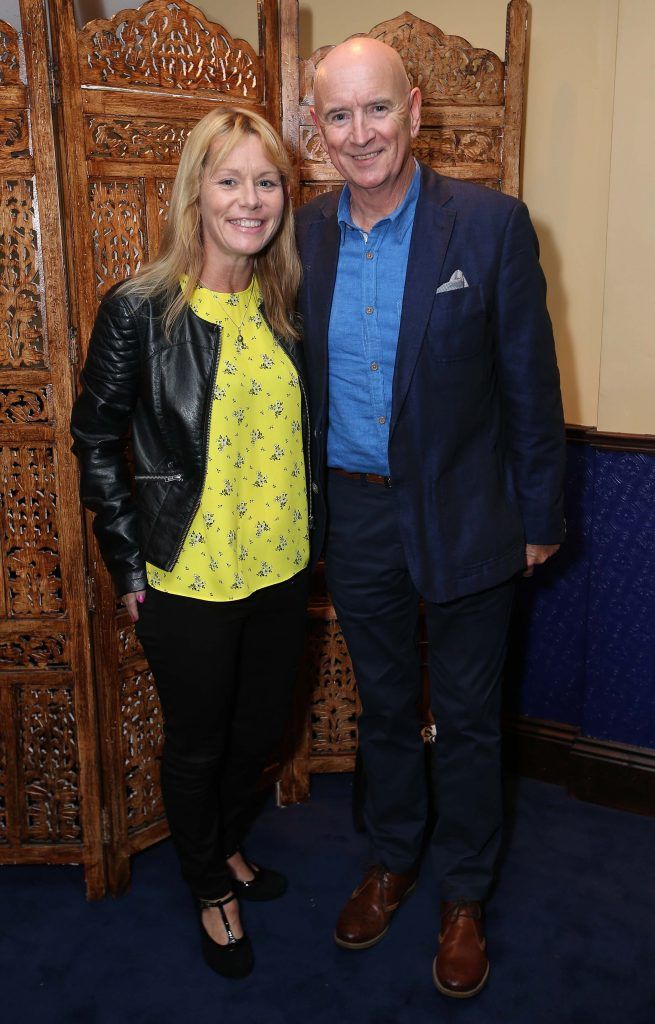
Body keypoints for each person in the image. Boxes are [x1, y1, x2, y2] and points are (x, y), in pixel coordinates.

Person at [296, 37, 566, 998]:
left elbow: (530, 386)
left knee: (467, 720)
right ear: (314, 126)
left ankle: (463, 895)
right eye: (338, 115)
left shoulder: (489, 226)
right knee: (381, 710)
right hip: (355, 518)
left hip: (468, 515)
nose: (360, 133)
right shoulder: (302, 234)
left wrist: (539, 516)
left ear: (414, 109)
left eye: (376, 109)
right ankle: (392, 860)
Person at [71, 107, 314, 979]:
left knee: (257, 738)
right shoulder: (139, 309)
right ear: (194, 193)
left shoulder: (284, 305)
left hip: (282, 567)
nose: (251, 199)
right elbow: (94, 438)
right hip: (187, 576)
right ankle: (211, 883)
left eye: (266, 181)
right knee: (201, 743)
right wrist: (125, 561)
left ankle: (227, 844)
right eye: (229, 179)